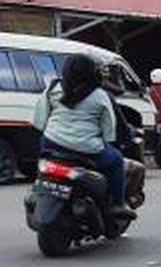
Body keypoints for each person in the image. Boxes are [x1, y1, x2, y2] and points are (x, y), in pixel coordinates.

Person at [32, 53, 131, 217]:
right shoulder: (101, 95)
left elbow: (39, 121)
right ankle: (117, 204)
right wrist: (110, 142)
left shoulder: (52, 88)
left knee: (43, 166)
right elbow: (109, 132)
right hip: (86, 149)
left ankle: (37, 191)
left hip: (51, 144)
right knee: (116, 160)